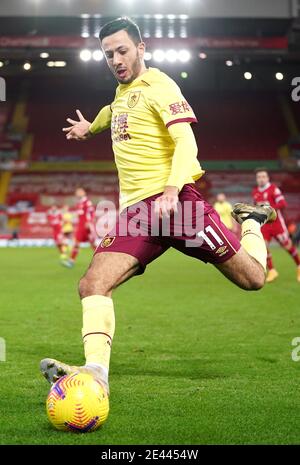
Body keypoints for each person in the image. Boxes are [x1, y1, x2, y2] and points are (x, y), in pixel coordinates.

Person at [40, 17, 276, 423]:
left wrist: (171, 189)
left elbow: (186, 139)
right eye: (108, 54)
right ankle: (96, 375)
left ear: (141, 47)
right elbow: (112, 110)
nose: (115, 59)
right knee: (92, 284)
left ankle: (251, 220)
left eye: (122, 50)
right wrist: (89, 127)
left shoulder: (161, 86)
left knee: (252, 279)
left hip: (177, 206)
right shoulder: (123, 92)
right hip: (138, 214)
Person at [252, 168, 300, 283]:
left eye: (263, 176)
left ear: (268, 178)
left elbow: (283, 203)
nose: (261, 179)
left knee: (288, 246)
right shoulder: (255, 192)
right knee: (263, 247)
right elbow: (257, 207)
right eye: (259, 177)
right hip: (265, 225)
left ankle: (299, 266)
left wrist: (270, 208)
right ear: (256, 179)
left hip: (277, 223)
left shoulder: (273, 189)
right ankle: (272, 271)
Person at [62, 188, 97, 268]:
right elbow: (79, 215)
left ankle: (102, 259)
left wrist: (90, 222)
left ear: (84, 193)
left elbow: (92, 213)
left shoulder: (87, 202)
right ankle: (71, 261)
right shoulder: (78, 203)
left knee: (93, 244)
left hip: (86, 226)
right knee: (76, 243)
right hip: (80, 226)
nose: (77, 193)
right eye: (77, 192)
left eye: (79, 192)